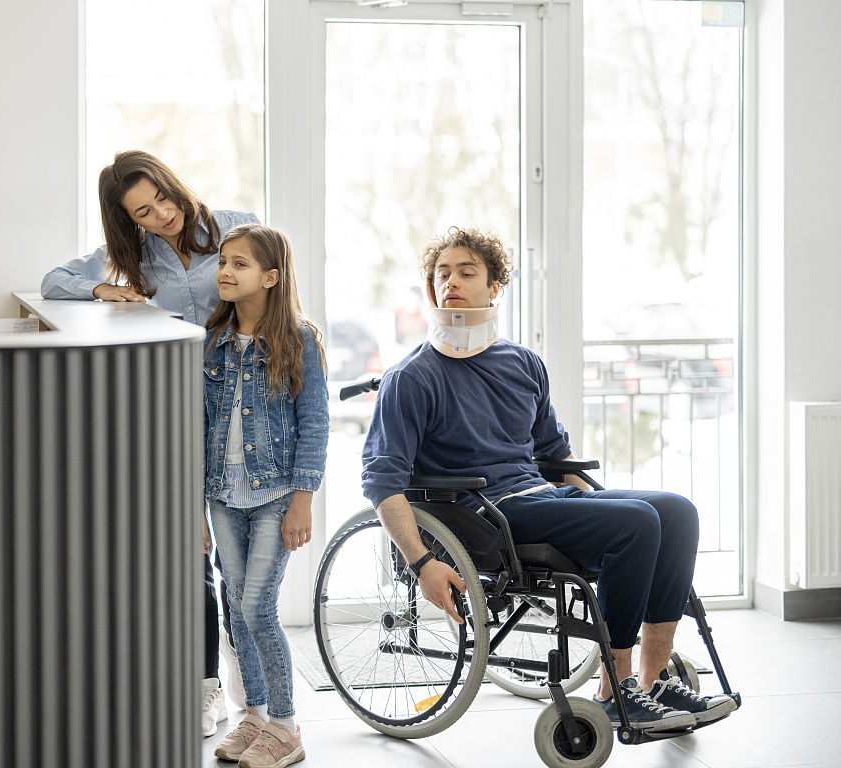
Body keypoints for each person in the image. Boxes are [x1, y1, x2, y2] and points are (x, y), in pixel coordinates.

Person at [361, 227, 737, 732]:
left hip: (539, 495)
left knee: (676, 512)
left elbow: (557, 456)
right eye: (442, 273)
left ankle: (654, 682)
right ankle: (615, 689)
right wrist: (422, 562)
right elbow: (382, 481)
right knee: (638, 523)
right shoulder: (411, 377)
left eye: (467, 272)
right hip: (484, 514)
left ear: (494, 287)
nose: (451, 282)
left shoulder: (522, 363)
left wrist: (598, 511)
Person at [41, 150, 256, 733]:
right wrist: (101, 290)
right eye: (143, 211)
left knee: (240, 554)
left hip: (242, 414)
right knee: (192, 552)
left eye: (163, 198)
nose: (162, 214)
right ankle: (205, 685)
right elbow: (54, 280)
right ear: (129, 219)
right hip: (174, 412)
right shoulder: (132, 253)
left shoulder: (237, 227)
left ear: (173, 184)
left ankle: (248, 669)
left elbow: (277, 301)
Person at [204, 224, 327, 768]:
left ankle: (285, 724)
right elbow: (199, 424)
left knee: (257, 605)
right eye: (223, 262)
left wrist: (303, 498)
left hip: (276, 491)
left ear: (271, 277)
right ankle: (252, 714)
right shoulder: (213, 341)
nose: (225, 272)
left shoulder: (299, 340)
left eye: (240, 264)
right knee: (236, 606)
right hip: (222, 493)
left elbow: (315, 423)